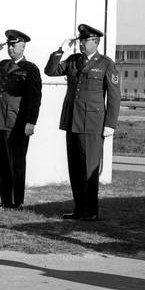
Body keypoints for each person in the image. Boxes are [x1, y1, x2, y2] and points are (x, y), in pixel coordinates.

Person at [44, 23, 121, 221]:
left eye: (85, 41)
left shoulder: (105, 63)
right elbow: (50, 71)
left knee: (89, 169)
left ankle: (91, 211)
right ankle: (79, 209)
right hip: (73, 120)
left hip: (93, 122)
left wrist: (110, 124)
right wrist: (61, 50)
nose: (81, 44)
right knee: (76, 168)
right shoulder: (73, 60)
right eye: (80, 41)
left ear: (95, 42)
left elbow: (114, 96)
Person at [0, 29, 42, 209]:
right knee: (2, 162)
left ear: (23, 46)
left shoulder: (30, 69)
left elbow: (35, 98)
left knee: (17, 162)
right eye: (9, 45)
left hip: (17, 122)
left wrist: (31, 122)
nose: (10, 48)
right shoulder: (3, 65)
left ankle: (17, 201)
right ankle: (5, 200)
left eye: (14, 45)